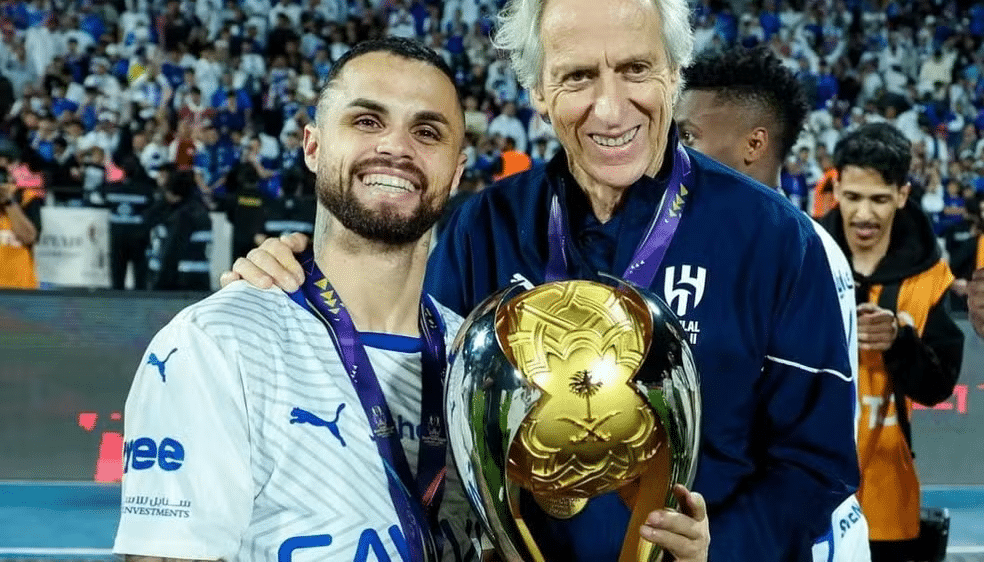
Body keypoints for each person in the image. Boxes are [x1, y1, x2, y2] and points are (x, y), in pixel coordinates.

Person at [225, 0, 854, 561]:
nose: (611, 109)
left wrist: (720, 550)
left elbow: (817, 461)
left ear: (673, 71)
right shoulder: (483, 228)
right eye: (578, 76)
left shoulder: (777, 240)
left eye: (635, 68)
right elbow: (412, 393)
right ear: (537, 92)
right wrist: (289, 278)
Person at [118, 37, 709, 562]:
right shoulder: (218, 346)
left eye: (426, 131)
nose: (397, 147)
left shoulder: (493, 362)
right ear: (313, 146)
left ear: (454, 174)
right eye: (368, 121)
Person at [676, 46, 871, 562]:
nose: (673, 153)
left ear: (753, 144)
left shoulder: (800, 250)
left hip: (796, 534)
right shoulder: (750, 242)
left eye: (689, 136)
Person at [818, 123, 964, 562]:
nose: (864, 214)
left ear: (902, 195)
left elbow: (938, 387)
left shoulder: (931, 278)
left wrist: (900, 342)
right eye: (854, 197)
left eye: (879, 199)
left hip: (889, 500)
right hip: (807, 493)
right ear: (836, 187)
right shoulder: (804, 260)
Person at [146, 169, 213, 292]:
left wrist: (159, 283)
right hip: (198, 279)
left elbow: (171, 250)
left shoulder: (183, 216)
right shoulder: (199, 210)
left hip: (181, 281)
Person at [101, 155, 158, 290]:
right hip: (139, 238)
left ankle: (117, 306)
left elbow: (98, 195)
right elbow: (153, 207)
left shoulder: (112, 189)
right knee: (140, 277)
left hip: (117, 238)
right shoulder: (145, 190)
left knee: (117, 276)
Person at [0, 143, 41, 289]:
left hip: (20, 290)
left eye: (7, 164)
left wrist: (8, 202)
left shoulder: (28, 198)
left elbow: (29, 237)